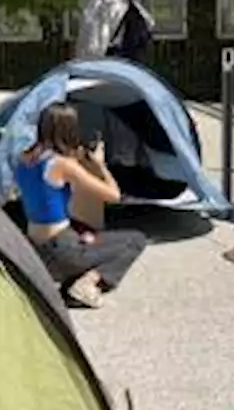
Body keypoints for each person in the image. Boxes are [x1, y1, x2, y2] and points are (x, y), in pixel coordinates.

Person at [15, 102, 147, 308]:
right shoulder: (63, 165)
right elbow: (113, 195)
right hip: (61, 251)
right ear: (70, 130)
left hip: (34, 248)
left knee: (85, 233)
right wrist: (100, 166)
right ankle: (86, 284)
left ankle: (71, 283)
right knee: (135, 240)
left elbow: (47, 201)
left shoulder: (24, 159)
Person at [73, 0, 154, 61]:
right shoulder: (131, 2)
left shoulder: (103, 3)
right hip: (133, 57)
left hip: (113, 56)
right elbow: (150, 23)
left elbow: (98, 36)